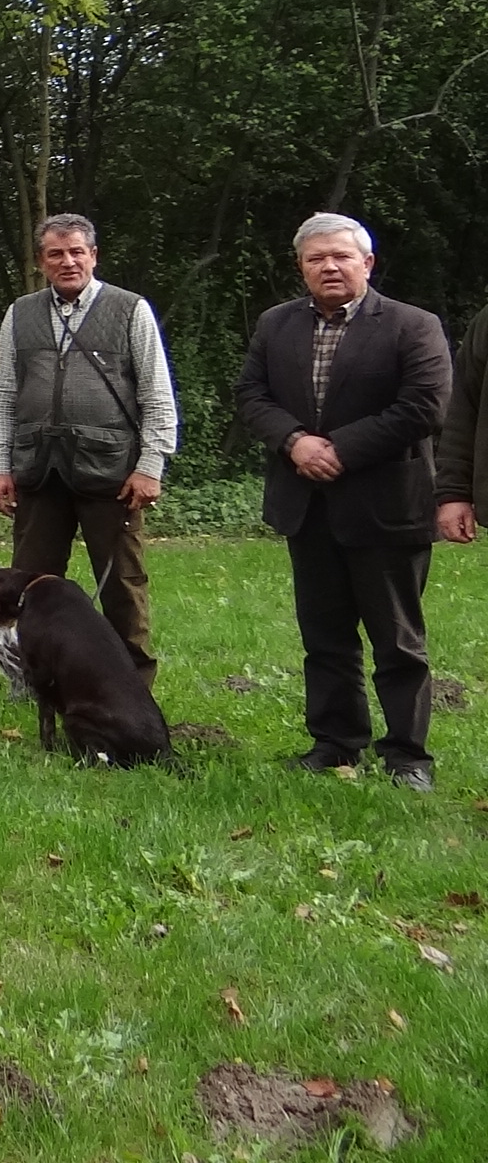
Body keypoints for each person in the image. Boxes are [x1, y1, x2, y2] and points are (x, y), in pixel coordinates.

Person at [234, 213, 455, 790]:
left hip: (387, 507)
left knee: (398, 640)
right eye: (316, 259)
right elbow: (251, 394)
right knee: (325, 637)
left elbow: (426, 406)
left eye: (340, 257)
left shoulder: (413, 325)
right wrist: (293, 441)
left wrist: (337, 448)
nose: (329, 266)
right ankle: (336, 744)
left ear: (367, 263)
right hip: (306, 506)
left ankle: (408, 757)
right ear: (302, 268)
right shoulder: (275, 325)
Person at [0, 214, 179, 683]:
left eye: (77, 251)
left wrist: (150, 464)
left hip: (112, 473)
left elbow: (157, 395)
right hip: (37, 469)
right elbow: (4, 393)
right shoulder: (21, 312)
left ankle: (133, 685)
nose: (67, 261)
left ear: (93, 255)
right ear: (41, 261)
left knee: (122, 588)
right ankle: (39, 681)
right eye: (56, 253)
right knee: (31, 586)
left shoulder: (130, 309)